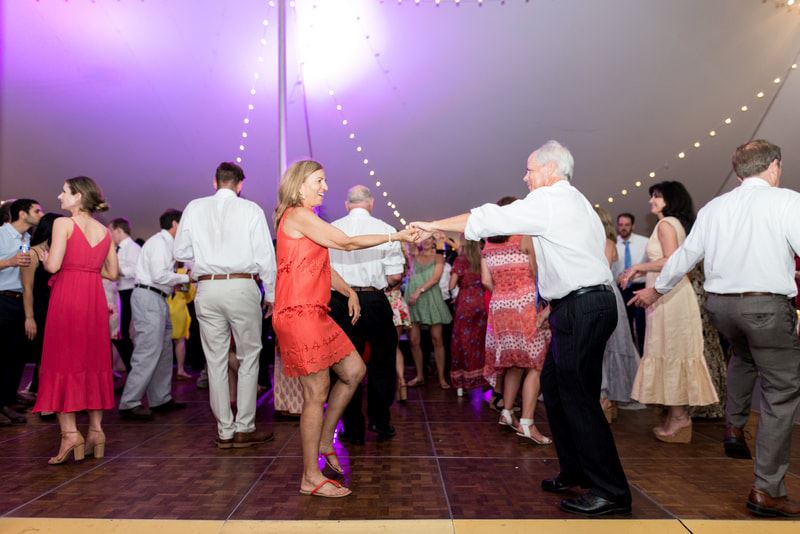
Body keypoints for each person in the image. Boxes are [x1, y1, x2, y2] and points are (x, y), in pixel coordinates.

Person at [412, 140, 631, 516]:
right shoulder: (574, 201)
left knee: (578, 398)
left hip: (584, 305)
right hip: (578, 305)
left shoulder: (551, 200)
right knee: (556, 390)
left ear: (549, 170)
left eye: (530, 169)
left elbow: (487, 219)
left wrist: (432, 224)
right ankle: (575, 469)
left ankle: (611, 491)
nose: (525, 176)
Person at [630, 140, 800, 518]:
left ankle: (734, 427)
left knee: (741, 355)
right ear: (773, 166)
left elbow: (685, 258)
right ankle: (767, 490)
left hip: (721, 308)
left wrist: (655, 291)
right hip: (765, 307)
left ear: (738, 172)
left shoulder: (715, 207)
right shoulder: (787, 201)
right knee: (782, 390)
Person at [271, 160, 416, 498]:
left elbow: (318, 262)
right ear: (300, 184)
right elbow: (346, 244)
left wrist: (348, 290)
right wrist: (395, 234)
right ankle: (310, 477)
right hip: (299, 314)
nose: (324, 187)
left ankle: (325, 440)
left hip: (316, 312)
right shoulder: (298, 214)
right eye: (318, 181)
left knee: (354, 370)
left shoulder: (305, 219)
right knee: (316, 392)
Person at [174, 162, 277, 449]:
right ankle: (244, 427)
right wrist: (271, 293)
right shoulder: (251, 209)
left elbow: (180, 251)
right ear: (240, 184)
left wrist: (206, 257)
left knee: (216, 360)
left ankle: (225, 431)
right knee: (248, 357)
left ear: (215, 182)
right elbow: (266, 257)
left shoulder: (194, 207)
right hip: (242, 285)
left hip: (207, 286)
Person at [619, 181, 718, 443]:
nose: (651, 200)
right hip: (670, 295)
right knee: (670, 351)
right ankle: (676, 415)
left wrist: (639, 267)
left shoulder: (665, 224)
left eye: (657, 196)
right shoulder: (675, 224)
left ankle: (679, 418)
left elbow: (673, 261)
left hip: (670, 297)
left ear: (671, 200)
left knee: (670, 351)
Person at [33, 177, 118, 464]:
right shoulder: (104, 231)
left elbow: (54, 266)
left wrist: (45, 258)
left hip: (68, 298)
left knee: (62, 360)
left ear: (79, 196)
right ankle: (96, 432)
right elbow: (113, 273)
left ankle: (70, 434)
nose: (59, 196)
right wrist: (86, 269)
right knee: (92, 362)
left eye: (65, 191)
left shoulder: (62, 224)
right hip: (93, 299)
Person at [328, 185, 405, 443]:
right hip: (374, 299)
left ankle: (352, 428)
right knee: (382, 363)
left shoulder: (332, 229)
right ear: (371, 203)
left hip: (339, 300)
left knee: (345, 368)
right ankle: (380, 421)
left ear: (347, 205)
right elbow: (395, 275)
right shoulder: (386, 230)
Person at [480, 204, 552, 445]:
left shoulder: (488, 244)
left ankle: (507, 412)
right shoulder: (525, 237)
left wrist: (504, 293)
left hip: (500, 306)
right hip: (525, 304)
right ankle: (527, 423)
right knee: (536, 363)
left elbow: (485, 280)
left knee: (513, 362)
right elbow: (536, 271)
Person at [118, 209, 189, 420]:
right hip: (150, 297)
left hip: (158, 298)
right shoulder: (160, 243)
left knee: (164, 350)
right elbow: (159, 275)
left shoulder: (166, 244)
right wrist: (186, 279)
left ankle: (160, 398)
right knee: (148, 349)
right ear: (175, 224)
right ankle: (129, 402)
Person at [0, 198, 44, 425]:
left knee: (15, 354)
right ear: (21, 213)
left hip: (19, 301)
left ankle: (7, 400)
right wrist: (9, 262)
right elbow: (12, 263)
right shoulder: (1, 234)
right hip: (2, 299)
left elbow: (26, 273)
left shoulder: (26, 239)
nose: (41, 214)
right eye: (37, 210)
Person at [594, 207, 639, 422]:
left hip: (602, 295)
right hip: (611, 296)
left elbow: (601, 273)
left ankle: (605, 399)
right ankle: (606, 399)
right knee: (606, 349)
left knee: (605, 349)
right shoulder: (610, 244)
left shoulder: (604, 244)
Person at [20, 213, 63, 402]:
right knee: (44, 354)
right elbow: (27, 289)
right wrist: (29, 317)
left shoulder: (57, 253)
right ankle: (44, 397)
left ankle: (53, 394)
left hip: (58, 307)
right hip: (41, 308)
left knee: (57, 354)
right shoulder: (33, 253)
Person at [405, 236, 453, 389]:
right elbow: (406, 244)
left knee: (437, 339)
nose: (425, 241)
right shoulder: (413, 257)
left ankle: (441, 378)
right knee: (413, 340)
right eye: (422, 239)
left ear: (433, 241)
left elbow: (435, 278)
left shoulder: (438, 257)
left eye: (428, 239)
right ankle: (419, 376)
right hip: (413, 299)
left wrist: (419, 291)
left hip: (430, 297)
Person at [448, 237, 487, 396]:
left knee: (462, 342)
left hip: (465, 303)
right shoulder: (484, 258)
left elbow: (451, 284)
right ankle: (482, 379)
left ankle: (461, 384)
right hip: (482, 301)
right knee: (480, 342)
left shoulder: (461, 260)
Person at [108, 217, 141, 373]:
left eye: (111, 231)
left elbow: (136, 271)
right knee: (117, 333)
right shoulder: (117, 248)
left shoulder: (133, 248)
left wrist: (117, 270)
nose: (110, 234)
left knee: (121, 333)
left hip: (128, 292)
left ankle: (133, 370)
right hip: (118, 293)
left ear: (118, 230)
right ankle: (129, 370)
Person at [613, 213, 648, 354]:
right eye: (620, 225)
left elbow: (651, 265)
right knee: (625, 325)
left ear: (633, 226)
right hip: (622, 289)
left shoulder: (645, 242)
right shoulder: (613, 244)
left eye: (627, 225)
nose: (623, 228)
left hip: (640, 288)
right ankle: (630, 357)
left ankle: (643, 355)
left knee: (642, 325)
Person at [168, 262, 196, 380]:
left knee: (164, 343)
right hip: (179, 310)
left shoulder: (166, 271)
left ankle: (165, 371)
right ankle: (180, 369)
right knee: (180, 342)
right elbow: (189, 297)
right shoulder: (184, 274)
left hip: (165, 307)